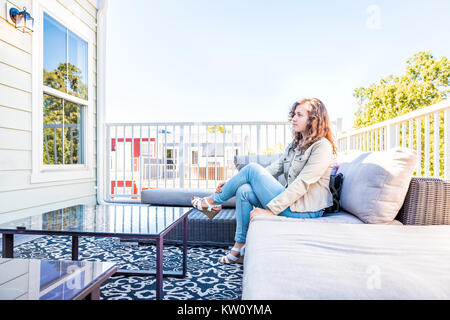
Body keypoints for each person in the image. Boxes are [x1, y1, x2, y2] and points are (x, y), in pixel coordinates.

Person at [191, 98, 337, 264]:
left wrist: (271, 210)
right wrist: (238, 180)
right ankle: (239, 248)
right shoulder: (295, 145)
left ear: (313, 119)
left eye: (299, 115)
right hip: (291, 203)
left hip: (305, 208)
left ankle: (211, 202)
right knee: (244, 190)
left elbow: (302, 183)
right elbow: (272, 170)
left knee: (252, 169)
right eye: (293, 114)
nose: (293, 119)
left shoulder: (322, 146)